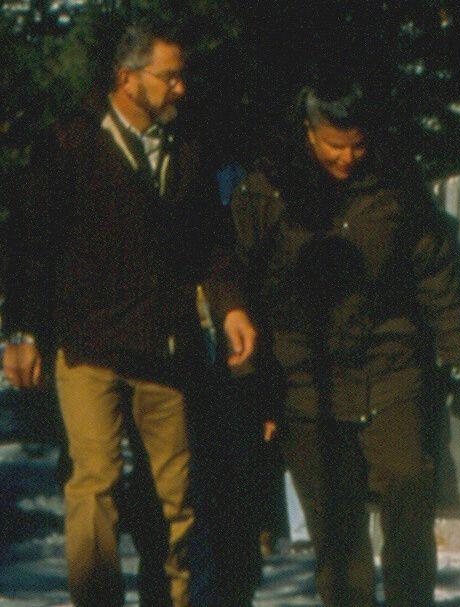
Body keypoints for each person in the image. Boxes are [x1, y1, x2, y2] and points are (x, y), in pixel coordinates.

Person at [1, 21, 256, 607]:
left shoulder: (188, 148)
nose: (180, 89)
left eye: (182, 76)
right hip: (87, 345)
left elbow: (212, 245)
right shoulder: (70, 142)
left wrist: (232, 305)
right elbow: (29, 243)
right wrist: (20, 331)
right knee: (96, 484)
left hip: (166, 349)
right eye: (169, 76)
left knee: (175, 500)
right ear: (126, 78)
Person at [230, 80, 460, 607]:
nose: (347, 157)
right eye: (333, 145)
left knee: (409, 494)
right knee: (338, 532)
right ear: (308, 131)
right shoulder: (267, 190)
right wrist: (254, 388)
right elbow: (240, 282)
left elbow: (437, 271)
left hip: (391, 364)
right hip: (306, 380)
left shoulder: (395, 184)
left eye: (357, 145)